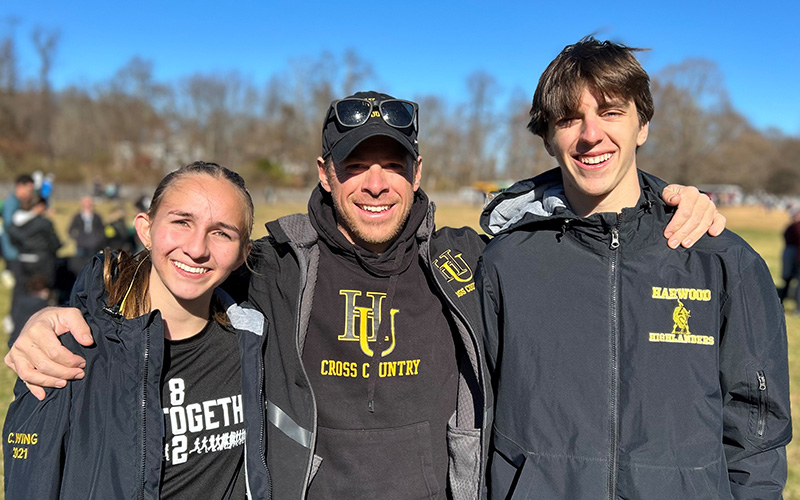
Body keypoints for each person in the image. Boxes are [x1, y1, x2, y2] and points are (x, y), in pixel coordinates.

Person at [5, 92, 725, 499]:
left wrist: (663, 195)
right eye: (357, 165)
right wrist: (62, 316)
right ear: (325, 173)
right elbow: (180, 257)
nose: (376, 182)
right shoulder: (276, 264)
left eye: (393, 164)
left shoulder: (466, 262)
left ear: (418, 171)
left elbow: (570, 219)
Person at [478, 37, 791, 499]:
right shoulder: (505, 262)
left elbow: (755, 439)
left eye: (610, 112)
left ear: (642, 124)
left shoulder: (721, 261)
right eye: (568, 118)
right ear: (547, 138)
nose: (590, 135)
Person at [3, 162, 272, 498]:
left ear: (242, 254)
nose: (197, 248)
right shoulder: (68, 354)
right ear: (145, 229)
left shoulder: (254, 347)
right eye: (181, 222)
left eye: (221, 233)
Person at [778, 207, 800, 311]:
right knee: (788, 280)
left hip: (794, 255)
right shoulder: (793, 227)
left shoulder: (794, 227)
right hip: (793, 256)